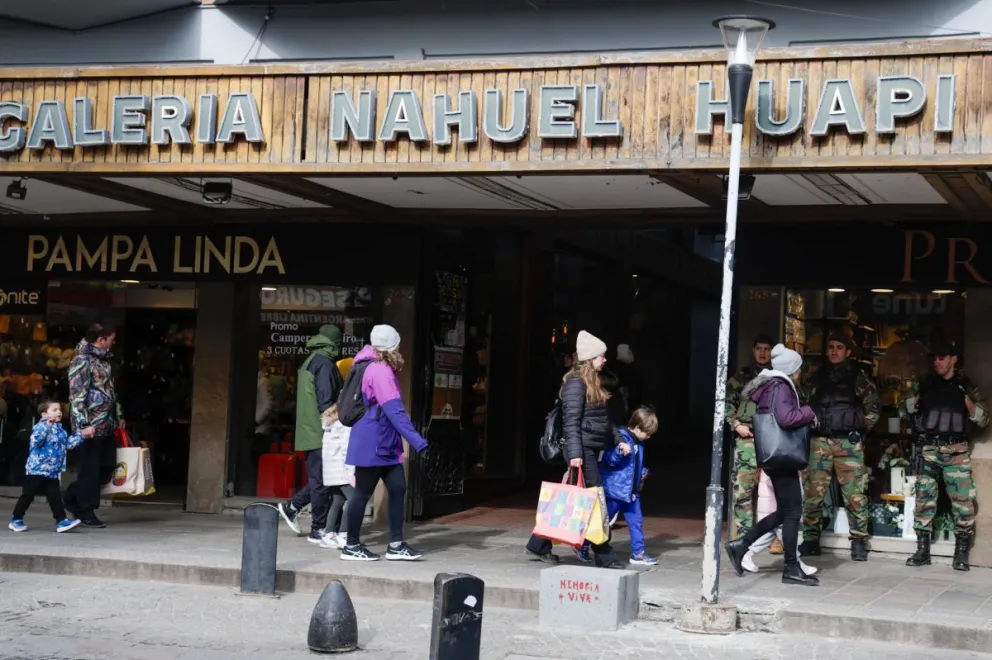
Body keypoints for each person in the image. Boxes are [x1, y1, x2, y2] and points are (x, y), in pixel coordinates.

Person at [525, 330, 625, 569]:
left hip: (589, 448)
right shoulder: (575, 384)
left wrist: (618, 437)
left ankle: (538, 544)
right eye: (601, 356)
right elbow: (571, 421)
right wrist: (576, 454)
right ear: (590, 358)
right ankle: (604, 553)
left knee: (569, 501)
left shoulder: (594, 382)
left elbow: (605, 418)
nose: (605, 359)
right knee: (594, 499)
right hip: (581, 451)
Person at [725, 344, 819, 587]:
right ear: (791, 369)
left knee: (784, 512)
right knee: (792, 513)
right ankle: (790, 567)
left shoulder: (768, 385)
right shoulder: (781, 386)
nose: (799, 373)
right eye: (798, 369)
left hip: (774, 455)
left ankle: (742, 545)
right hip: (783, 456)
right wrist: (809, 411)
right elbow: (786, 419)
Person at [341, 325, 428, 561]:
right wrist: (418, 441)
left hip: (381, 441)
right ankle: (351, 545)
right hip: (375, 441)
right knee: (362, 493)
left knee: (398, 487)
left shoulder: (371, 365)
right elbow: (395, 411)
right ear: (392, 346)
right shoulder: (380, 371)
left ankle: (396, 545)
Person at [900, 340, 988, 571]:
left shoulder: (966, 386)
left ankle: (961, 552)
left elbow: (982, 418)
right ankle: (922, 550)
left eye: (942, 357)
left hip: (956, 451)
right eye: (935, 358)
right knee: (924, 500)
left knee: (963, 502)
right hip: (929, 449)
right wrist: (918, 399)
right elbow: (903, 410)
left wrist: (964, 399)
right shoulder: (924, 384)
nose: (937, 362)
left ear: (953, 359)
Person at [799, 334, 879, 561]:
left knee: (855, 494)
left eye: (839, 347)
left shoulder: (858, 377)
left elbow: (873, 407)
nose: (834, 351)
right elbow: (803, 403)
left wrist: (861, 431)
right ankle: (811, 540)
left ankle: (858, 541)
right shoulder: (816, 376)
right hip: (819, 442)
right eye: (831, 347)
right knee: (813, 493)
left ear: (848, 352)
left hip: (848, 443)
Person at [278, 325, 344, 543]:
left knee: (322, 478)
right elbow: (325, 402)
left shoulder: (310, 360)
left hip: (309, 429)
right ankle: (318, 528)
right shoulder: (324, 364)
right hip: (320, 430)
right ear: (334, 342)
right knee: (321, 481)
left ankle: (293, 506)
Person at [64, 322, 123, 529]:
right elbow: (76, 395)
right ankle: (86, 510)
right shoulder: (82, 361)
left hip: (106, 423)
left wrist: (118, 415)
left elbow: (111, 392)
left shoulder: (104, 361)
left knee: (107, 466)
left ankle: (72, 497)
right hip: (90, 426)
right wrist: (83, 424)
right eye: (111, 339)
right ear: (101, 339)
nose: (113, 342)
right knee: (90, 469)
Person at [725, 334, 774, 539]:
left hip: (773, 438)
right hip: (747, 436)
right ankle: (744, 535)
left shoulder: (777, 376)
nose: (762, 353)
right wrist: (736, 425)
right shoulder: (742, 377)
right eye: (759, 349)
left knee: (773, 490)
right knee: (744, 488)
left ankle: (771, 535)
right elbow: (726, 403)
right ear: (753, 351)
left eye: (766, 349)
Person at [9, 401, 84, 533]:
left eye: (59, 409)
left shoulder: (60, 429)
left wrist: (81, 435)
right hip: (37, 469)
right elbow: (37, 440)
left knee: (55, 497)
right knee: (28, 495)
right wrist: (47, 426)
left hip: (52, 470)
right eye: (54, 410)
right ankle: (16, 519)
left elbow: (67, 445)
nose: (59, 412)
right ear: (44, 414)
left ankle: (61, 521)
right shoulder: (40, 426)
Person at [600, 406, 658, 566]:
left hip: (631, 492)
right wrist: (620, 452)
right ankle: (582, 545)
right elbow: (609, 461)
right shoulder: (621, 438)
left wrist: (642, 472)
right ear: (637, 427)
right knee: (602, 521)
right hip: (616, 491)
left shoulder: (639, 442)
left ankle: (638, 553)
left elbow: (634, 465)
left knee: (636, 522)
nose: (648, 437)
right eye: (647, 433)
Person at [741, 469, 817, 575]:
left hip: (775, 500)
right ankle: (796, 562)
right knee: (784, 532)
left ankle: (744, 551)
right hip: (776, 501)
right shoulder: (779, 466)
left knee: (772, 532)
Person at [319, 404, 354, 550]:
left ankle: (328, 534)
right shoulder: (344, 425)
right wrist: (351, 472)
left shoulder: (330, 426)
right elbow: (347, 450)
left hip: (332, 471)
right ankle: (343, 534)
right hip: (342, 470)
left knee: (337, 501)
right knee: (353, 500)